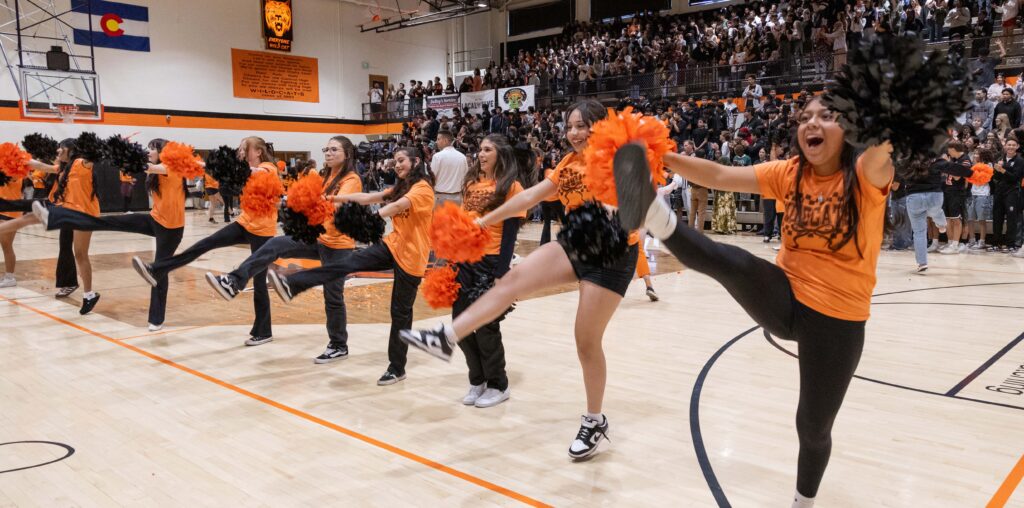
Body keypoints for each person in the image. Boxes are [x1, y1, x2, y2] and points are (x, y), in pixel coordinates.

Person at [611, 96, 894, 507]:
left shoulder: (865, 173)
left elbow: (885, 145)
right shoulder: (789, 172)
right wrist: (661, 156)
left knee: (812, 427)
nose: (811, 123)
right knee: (735, 263)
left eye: (826, 117)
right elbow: (720, 174)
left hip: (837, 319)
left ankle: (803, 502)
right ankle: (652, 210)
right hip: (784, 295)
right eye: (805, 117)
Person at [400, 100, 641, 461]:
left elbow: (636, 209)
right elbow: (531, 195)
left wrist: (616, 210)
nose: (574, 133)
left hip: (613, 255)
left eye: (582, 126)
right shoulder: (568, 164)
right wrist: (485, 220)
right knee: (510, 282)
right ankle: (446, 338)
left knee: (586, 342)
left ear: (600, 126)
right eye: (570, 126)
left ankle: (594, 419)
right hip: (576, 243)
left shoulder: (621, 158)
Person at [265, 146, 434, 385]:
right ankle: (294, 284)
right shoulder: (402, 187)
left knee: (400, 313)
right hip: (392, 245)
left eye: (401, 161)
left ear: (416, 162)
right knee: (348, 263)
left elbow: (397, 207)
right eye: (395, 161)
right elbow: (366, 198)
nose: (397, 165)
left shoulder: (423, 189)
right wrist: (332, 198)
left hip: (413, 257)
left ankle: (397, 368)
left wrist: (374, 218)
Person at [206, 136, 362, 362]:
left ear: (346, 154)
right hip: (317, 237)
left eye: (334, 149)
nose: (328, 153)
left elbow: (335, 206)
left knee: (333, 296)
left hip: (339, 246)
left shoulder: (352, 179)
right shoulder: (324, 177)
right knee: (276, 244)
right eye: (326, 149)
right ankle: (234, 281)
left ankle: (338, 345)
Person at [132, 136, 281, 346]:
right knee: (207, 243)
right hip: (245, 223)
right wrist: (191, 164)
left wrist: (212, 164)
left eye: (243, 148)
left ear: (257, 152)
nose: (239, 151)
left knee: (259, 282)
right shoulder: (244, 169)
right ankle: (158, 268)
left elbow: (258, 173)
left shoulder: (268, 168)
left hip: (263, 230)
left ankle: (263, 331)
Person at [34, 139, 185, 329]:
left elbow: (149, 167)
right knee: (113, 221)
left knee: (159, 272)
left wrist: (123, 154)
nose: (149, 151)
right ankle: (60, 219)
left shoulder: (171, 167)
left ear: (164, 152)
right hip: (154, 219)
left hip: (171, 229)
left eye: (152, 149)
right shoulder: (156, 170)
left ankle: (156, 319)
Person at [431, 130, 469, 207]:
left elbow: (432, 178)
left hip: (440, 197)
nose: (436, 142)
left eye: (438, 139)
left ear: (445, 140)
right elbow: (466, 178)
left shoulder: (437, 156)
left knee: (439, 219)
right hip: (458, 197)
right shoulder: (462, 157)